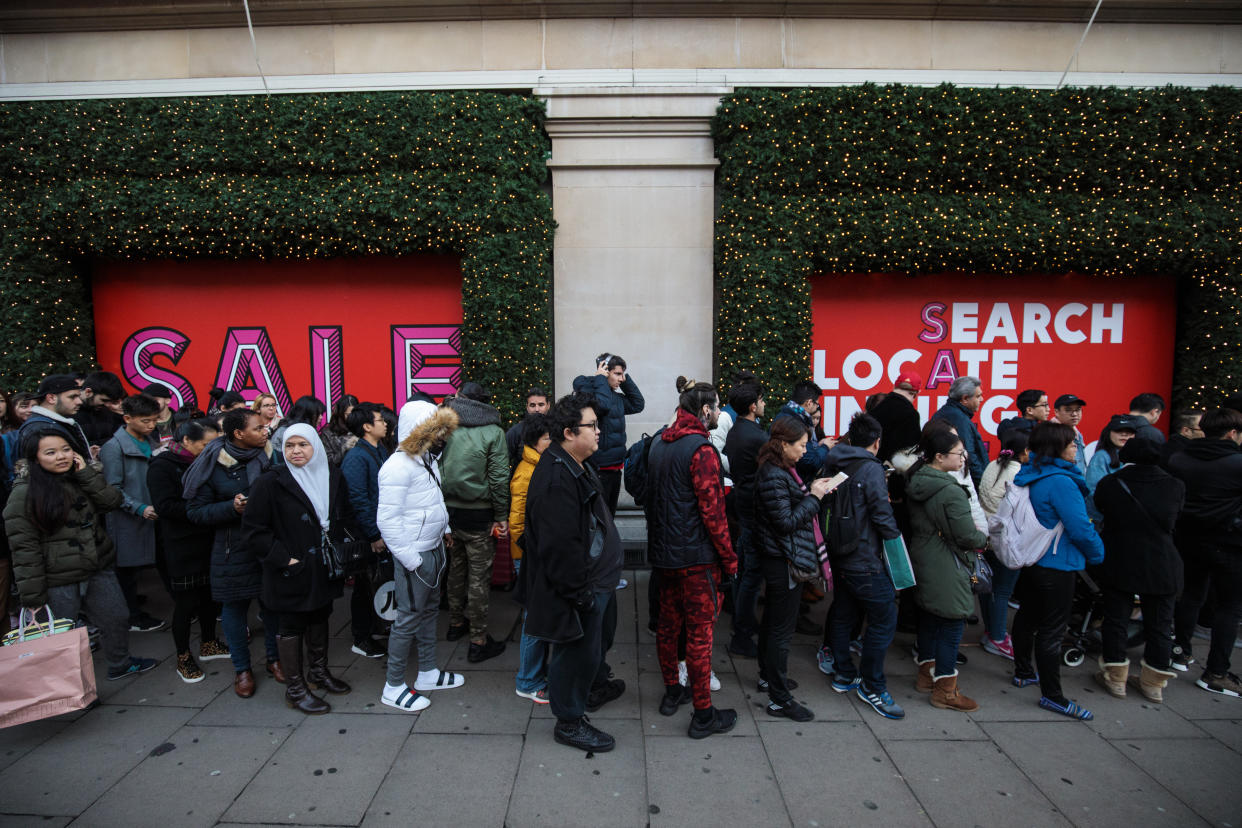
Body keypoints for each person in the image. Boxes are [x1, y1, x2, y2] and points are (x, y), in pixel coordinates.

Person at [4, 428, 156, 680]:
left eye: (66, 450)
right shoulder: (23, 493)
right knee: (62, 635)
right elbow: (23, 547)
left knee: (116, 618)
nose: (61, 457)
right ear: (35, 458)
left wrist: (86, 472)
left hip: (97, 567)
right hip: (57, 579)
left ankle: (120, 664)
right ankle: (71, 687)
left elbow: (110, 502)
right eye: (50, 452)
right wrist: (32, 595)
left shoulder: (80, 477)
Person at [519, 392, 624, 752]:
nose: (599, 432)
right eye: (592, 426)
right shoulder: (555, 479)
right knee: (573, 654)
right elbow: (559, 549)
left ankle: (593, 687)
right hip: (582, 588)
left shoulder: (575, 463)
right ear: (568, 432)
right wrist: (580, 595)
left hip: (599, 581)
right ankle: (569, 720)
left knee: (596, 645)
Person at [645, 378, 739, 737]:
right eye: (716, 406)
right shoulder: (701, 449)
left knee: (669, 628)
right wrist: (729, 559)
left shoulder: (658, 444)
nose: (718, 412)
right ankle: (703, 714)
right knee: (700, 636)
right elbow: (714, 513)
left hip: (665, 556)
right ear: (704, 410)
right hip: (697, 561)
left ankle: (673, 691)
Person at [243, 424, 353, 714]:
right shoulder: (270, 481)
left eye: (302, 444)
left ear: (314, 445)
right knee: (290, 625)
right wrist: (284, 559)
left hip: (324, 564)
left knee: (320, 616)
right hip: (290, 568)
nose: (296, 451)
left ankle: (318, 674)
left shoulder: (331, 474)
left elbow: (343, 514)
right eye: (290, 445)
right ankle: (296, 689)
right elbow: (254, 530)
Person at [1010, 422, 1105, 720]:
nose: (1077, 447)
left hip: (1033, 559)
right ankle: (1053, 697)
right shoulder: (1062, 481)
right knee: (1052, 630)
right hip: (1058, 563)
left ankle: (1024, 672)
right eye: (1072, 443)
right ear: (1057, 447)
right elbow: (1080, 528)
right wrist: (1098, 554)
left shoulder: (1032, 473)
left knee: (1027, 617)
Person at [376, 399, 466, 712]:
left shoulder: (425, 459)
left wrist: (444, 529)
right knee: (407, 620)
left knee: (428, 613)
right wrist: (412, 560)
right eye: (433, 428)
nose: (440, 435)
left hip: (433, 549)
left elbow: (432, 501)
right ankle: (393, 685)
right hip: (416, 557)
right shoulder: (397, 467)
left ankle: (427, 672)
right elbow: (387, 521)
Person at [185, 407, 281, 698]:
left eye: (265, 427)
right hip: (232, 547)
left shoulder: (270, 455)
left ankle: (275, 659)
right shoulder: (213, 463)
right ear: (239, 434)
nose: (265, 431)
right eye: (258, 428)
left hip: (269, 542)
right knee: (235, 610)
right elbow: (195, 512)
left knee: (273, 606)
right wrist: (231, 507)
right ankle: (242, 669)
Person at [821, 412, 904, 719]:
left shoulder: (833, 460)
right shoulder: (870, 470)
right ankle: (872, 686)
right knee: (884, 618)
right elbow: (881, 515)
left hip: (838, 551)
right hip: (864, 556)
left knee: (844, 611)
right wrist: (896, 543)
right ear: (876, 442)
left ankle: (843, 673)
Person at [753, 416, 836, 722]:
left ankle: (768, 677)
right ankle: (779, 698)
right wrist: (814, 496)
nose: (805, 451)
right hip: (782, 560)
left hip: (780, 557)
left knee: (774, 625)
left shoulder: (780, 469)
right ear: (783, 444)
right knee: (780, 631)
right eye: (801, 445)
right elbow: (786, 522)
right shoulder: (775, 474)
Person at [1092, 436, 1185, 702]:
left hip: (1121, 557)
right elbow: (1176, 517)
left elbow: (1100, 508)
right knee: (1160, 624)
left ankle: (1116, 676)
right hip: (1162, 561)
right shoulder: (1174, 485)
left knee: (1116, 618)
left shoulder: (1111, 483)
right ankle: (1153, 683)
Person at [906, 426, 988, 712]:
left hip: (925, 557)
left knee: (930, 617)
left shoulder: (917, 478)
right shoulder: (950, 491)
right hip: (947, 564)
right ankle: (945, 689)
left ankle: (925, 676)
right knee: (953, 623)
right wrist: (984, 539)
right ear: (940, 457)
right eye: (959, 453)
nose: (964, 458)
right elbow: (966, 535)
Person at [148, 416, 229, 683]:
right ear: (186, 441)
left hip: (209, 537)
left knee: (209, 595)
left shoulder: (207, 462)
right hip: (181, 542)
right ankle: (183, 657)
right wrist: (203, 509)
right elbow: (165, 506)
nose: (211, 449)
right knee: (186, 603)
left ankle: (209, 642)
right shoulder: (162, 465)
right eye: (206, 445)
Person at [1168, 407, 1242, 695]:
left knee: (1190, 596)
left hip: (1188, 539)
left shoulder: (1179, 458)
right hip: (1229, 544)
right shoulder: (1237, 463)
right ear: (1232, 433)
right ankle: (1216, 672)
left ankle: (1180, 652)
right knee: (1229, 608)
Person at [439, 382, 510, 661]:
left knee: (456, 569)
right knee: (479, 577)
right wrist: (501, 515)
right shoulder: (494, 431)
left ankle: (456, 625)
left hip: (449, 511)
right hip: (479, 513)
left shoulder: (445, 425)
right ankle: (478, 640)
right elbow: (499, 478)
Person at [99, 393, 165, 633]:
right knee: (126, 572)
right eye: (145, 421)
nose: (151, 425)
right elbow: (111, 489)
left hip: (153, 513)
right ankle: (132, 617)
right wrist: (138, 507)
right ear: (127, 418)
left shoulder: (150, 440)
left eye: (154, 420)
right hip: (128, 519)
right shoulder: (113, 448)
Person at [339, 402, 390, 658]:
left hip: (380, 529)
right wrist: (373, 534)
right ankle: (361, 638)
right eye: (380, 420)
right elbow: (358, 499)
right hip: (366, 534)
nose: (385, 423)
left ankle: (375, 627)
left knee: (376, 583)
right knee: (363, 586)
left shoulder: (379, 450)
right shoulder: (357, 457)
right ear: (367, 426)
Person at [976, 429, 1030, 659]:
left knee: (987, 587)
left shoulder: (992, 465)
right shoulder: (1020, 473)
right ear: (1025, 451)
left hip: (987, 535)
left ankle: (991, 632)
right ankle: (997, 637)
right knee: (1002, 591)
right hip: (1007, 539)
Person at [510, 413, 552, 703]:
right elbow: (517, 524)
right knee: (533, 619)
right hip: (526, 556)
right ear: (536, 442)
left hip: (531, 555)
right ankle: (527, 680)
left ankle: (534, 672)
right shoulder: (527, 473)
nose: (553, 442)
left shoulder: (538, 465)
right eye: (549, 438)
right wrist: (531, 551)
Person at [724, 380, 766, 658]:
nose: (764, 404)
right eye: (761, 400)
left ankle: (745, 621)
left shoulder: (737, 430)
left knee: (745, 567)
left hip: (742, 500)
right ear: (753, 406)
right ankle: (743, 631)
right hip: (753, 506)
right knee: (751, 573)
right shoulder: (756, 436)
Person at [572, 354, 645, 515]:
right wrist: (600, 379)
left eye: (623, 374)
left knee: (609, 516)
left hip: (615, 468)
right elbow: (603, 405)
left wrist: (626, 381)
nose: (621, 379)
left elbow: (638, 404)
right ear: (605, 371)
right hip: (598, 468)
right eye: (618, 374)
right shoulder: (591, 393)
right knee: (600, 518)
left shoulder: (617, 398)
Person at [17, 374, 91, 460]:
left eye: (78, 396)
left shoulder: (51, 424)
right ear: (51, 398)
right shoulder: (42, 429)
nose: (79, 402)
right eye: (72, 397)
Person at [931, 376, 987, 486]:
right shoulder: (958, 419)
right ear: (965, 399)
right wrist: (981, 486)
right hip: (960, 484)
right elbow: (969, 457)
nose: (982, 399)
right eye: (978, 396)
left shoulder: (950, 413)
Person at [773, 380, 835, 480]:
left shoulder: (785, 415)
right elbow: (810, 462)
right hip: (791, 481)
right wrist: (825, 447)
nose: (817, 407)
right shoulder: (794, 423)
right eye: (817, 404)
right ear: (809, 403)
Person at [1086, 414, 1141, 515]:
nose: (1124, 434)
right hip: (1105, 518)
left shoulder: (1138, 456)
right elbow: (1093, 491)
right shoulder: (1101, 457)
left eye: (1129, 432)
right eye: (1118, 431)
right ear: (1108, 433)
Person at [870, 372, 922, 464]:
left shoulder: (877, 406)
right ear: (916, 393)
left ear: (895, 387)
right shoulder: (911, 415)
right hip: (892, 471)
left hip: (869, 465)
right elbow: (911, 451)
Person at [77, 371, 127, 449]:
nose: (107, 405)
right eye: (103, 400)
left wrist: (120, 415)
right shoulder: (70, 412)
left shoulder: (107, 410)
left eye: (110, 401)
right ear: (88, 392)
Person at [505, 386, 550, 469]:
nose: (537, 409)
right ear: (527, 407)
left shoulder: (555, 429)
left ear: (548, 405)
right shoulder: (515, 432)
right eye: (532, 405)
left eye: (541, 405)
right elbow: (503, 461)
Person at [1053, 394, 1089, 477]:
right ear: (1056, 412)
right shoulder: (1052, 434)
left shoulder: (1077, 433)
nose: (1074, 414)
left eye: (1078, 410)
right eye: (1068, 410)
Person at [319, 394, 359, 468]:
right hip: (339, 474)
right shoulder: (328, 433)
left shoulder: (363, 428)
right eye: (348, 415)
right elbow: (327, 461)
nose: (352, 417)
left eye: (354, 414)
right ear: (340, 414)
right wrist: (345, 448)